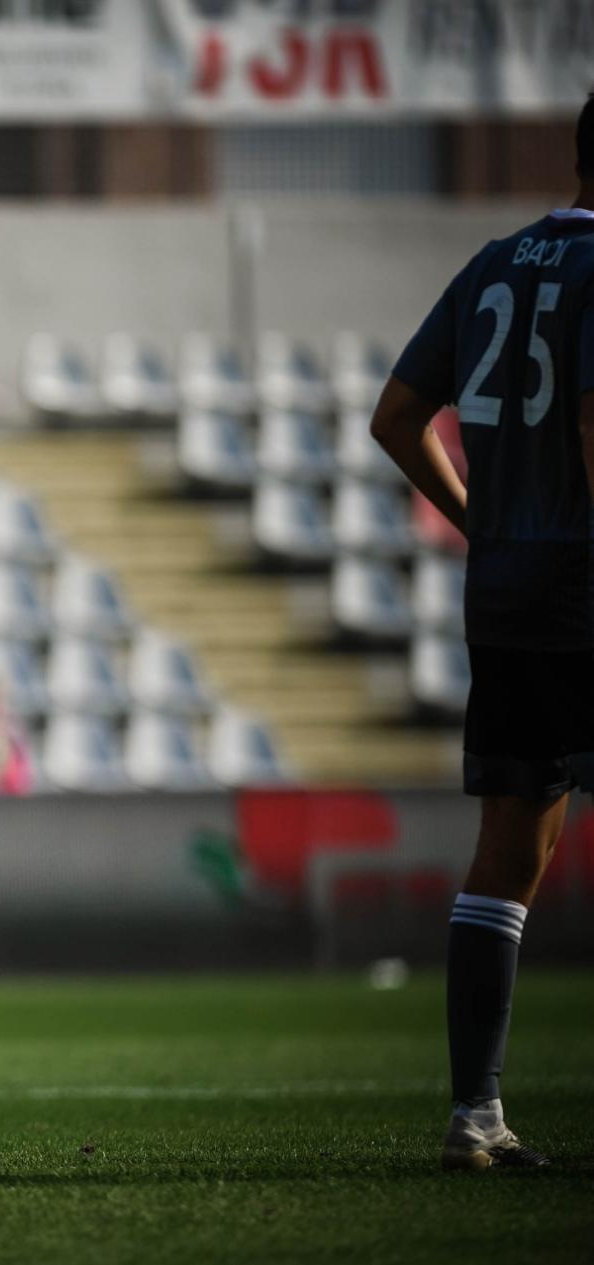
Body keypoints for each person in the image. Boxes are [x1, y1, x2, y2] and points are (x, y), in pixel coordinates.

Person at [367, 94, 594, 1171]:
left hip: (506, 596)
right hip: (582, 590)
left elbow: (395, 415)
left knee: (506, 851)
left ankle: (475, 1113)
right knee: (519, 851)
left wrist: (481, 521)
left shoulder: (497, 261)